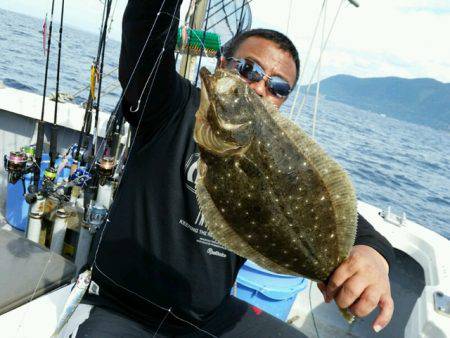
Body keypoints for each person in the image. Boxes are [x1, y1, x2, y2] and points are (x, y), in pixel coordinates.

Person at [77, 0, 394, 336]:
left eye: (277, 87)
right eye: (248, 69)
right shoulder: (167, 105)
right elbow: (146, 32)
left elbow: (345, 222)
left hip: (208, 317)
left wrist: (374, 256)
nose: (258, 86)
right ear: (221, 64)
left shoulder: (279, 161)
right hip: (126, 308)